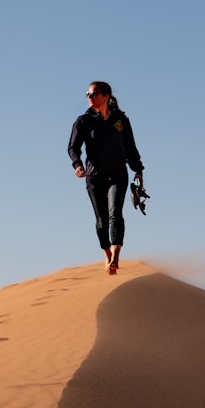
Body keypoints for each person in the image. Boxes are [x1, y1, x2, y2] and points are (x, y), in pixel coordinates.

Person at [67, 81, 145, 275]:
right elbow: (72, 147)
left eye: (94, 93)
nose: (90, 97)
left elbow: (130, 146)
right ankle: (106, 253)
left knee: (115, 213)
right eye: (88, 94)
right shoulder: (84, 121)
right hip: (94, 177)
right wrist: (77, 165)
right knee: (102, 220)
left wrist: (138, 169)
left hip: (118, 174)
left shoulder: (120, 120)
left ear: (106, 96)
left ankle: (116, 254)